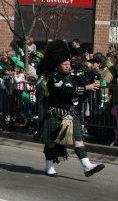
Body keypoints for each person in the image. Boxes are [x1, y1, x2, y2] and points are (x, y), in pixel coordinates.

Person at [38, 40, 105, 177]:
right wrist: (86, 87)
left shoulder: (73, 77)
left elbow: (80, 93)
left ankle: (87, 166)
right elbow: (66, 91)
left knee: (78, 139)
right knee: (51, 143)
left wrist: (92, 83)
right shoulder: (53, 79)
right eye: (65, 64)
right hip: (55, 113)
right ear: (58, 66)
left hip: (70, 112)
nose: (68, 66)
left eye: (69, 64)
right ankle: (49, 166)